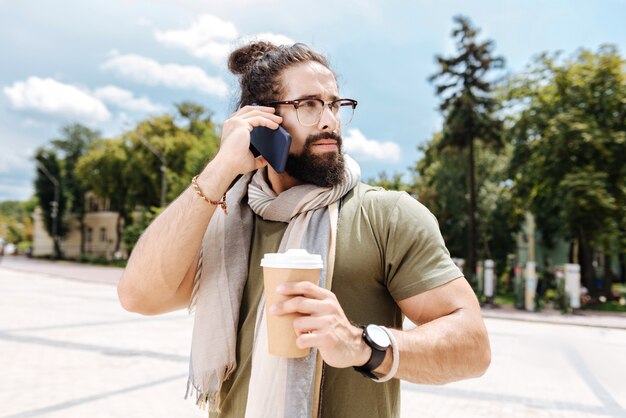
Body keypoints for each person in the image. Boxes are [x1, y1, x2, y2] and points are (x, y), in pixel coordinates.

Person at [118, 42, 491, 418]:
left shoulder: (387, 215)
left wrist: (363, 345)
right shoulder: (222, 218)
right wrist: (220, 170)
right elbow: (139, 296)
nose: (329, 120)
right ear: (263, 121)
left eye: (334, 104)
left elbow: (473, 347)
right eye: (309, 105)